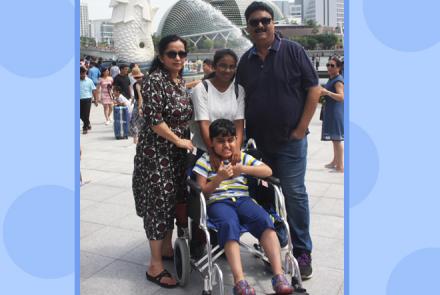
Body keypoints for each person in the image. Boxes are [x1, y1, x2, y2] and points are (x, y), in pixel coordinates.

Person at [236, 1, 321, 279]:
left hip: (290, 142)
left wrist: (301, 128)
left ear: (273, 23)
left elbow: (313, 89)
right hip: (259, 147)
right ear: (247, 28)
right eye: (254, 22)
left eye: (265, 20)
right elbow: (237, 99)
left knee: (294, 195)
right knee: (262, 195)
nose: (260, 25)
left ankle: (302, 251)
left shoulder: (293, 51)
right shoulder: (245, 61)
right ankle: (272, 241)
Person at [193, 119, 294, 295]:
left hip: (242, 200)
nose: (227, 145)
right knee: (229, 223)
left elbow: (268, 171)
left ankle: (279, 276)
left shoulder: (241, 157)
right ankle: (240, 281)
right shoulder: (205, 161)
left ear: (236, 140)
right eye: (221, 141)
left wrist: (243, 169)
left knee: (264, 219)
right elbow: (202, 193)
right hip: (218, 202)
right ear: (212, 143)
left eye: (231, 140)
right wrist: (218, 178)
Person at [132, 34, 194, 289]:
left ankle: (167, 248)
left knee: (173, 200)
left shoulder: (178, 81)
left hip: (177, 155)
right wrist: (178, 140)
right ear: (161, 56)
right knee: (159, 204)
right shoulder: (154, 81)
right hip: (156, 153)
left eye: (181, 53)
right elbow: (153, 118)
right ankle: (155, 265)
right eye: (172, 54)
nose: (178, 58)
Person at [191, 49, 245, 168]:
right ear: (214, 67)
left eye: (232, 67)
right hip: (206, 151)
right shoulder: (202, 89)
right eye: (223, 66)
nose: (227, 70)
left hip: (230, 151)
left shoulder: (238, 90)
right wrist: (212, 152)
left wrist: (237, 148)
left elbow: (239, 122)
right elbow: (203, 123)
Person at [320, 56, 344, 172]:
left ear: (338, 68)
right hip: (331, 111)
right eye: (328, 65)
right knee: (334, 139)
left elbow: (341, 97)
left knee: (337, 139)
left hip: (336, 112)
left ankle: (340, 166)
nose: (329, 67)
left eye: (332, 65)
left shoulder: (338, 80)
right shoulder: (332, 78)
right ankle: (335, 161)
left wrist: (327, 92)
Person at [129, 67, 145, 144]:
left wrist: (139, 107)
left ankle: (135, 140)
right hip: (147, 103)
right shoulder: (146, 81)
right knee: (142, 122)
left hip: (139, 103)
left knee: (134, 121)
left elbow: (140, 96)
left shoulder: (137, 84)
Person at [80, 67, 98, 134]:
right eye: (81, 73)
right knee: (80, 114)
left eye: (84, 73)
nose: (83, 75)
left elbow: (94, 90)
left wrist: (96, 100)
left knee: (86, 114)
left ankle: (85, 127)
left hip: (87, 99)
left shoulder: (89, 81)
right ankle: (88, 123)